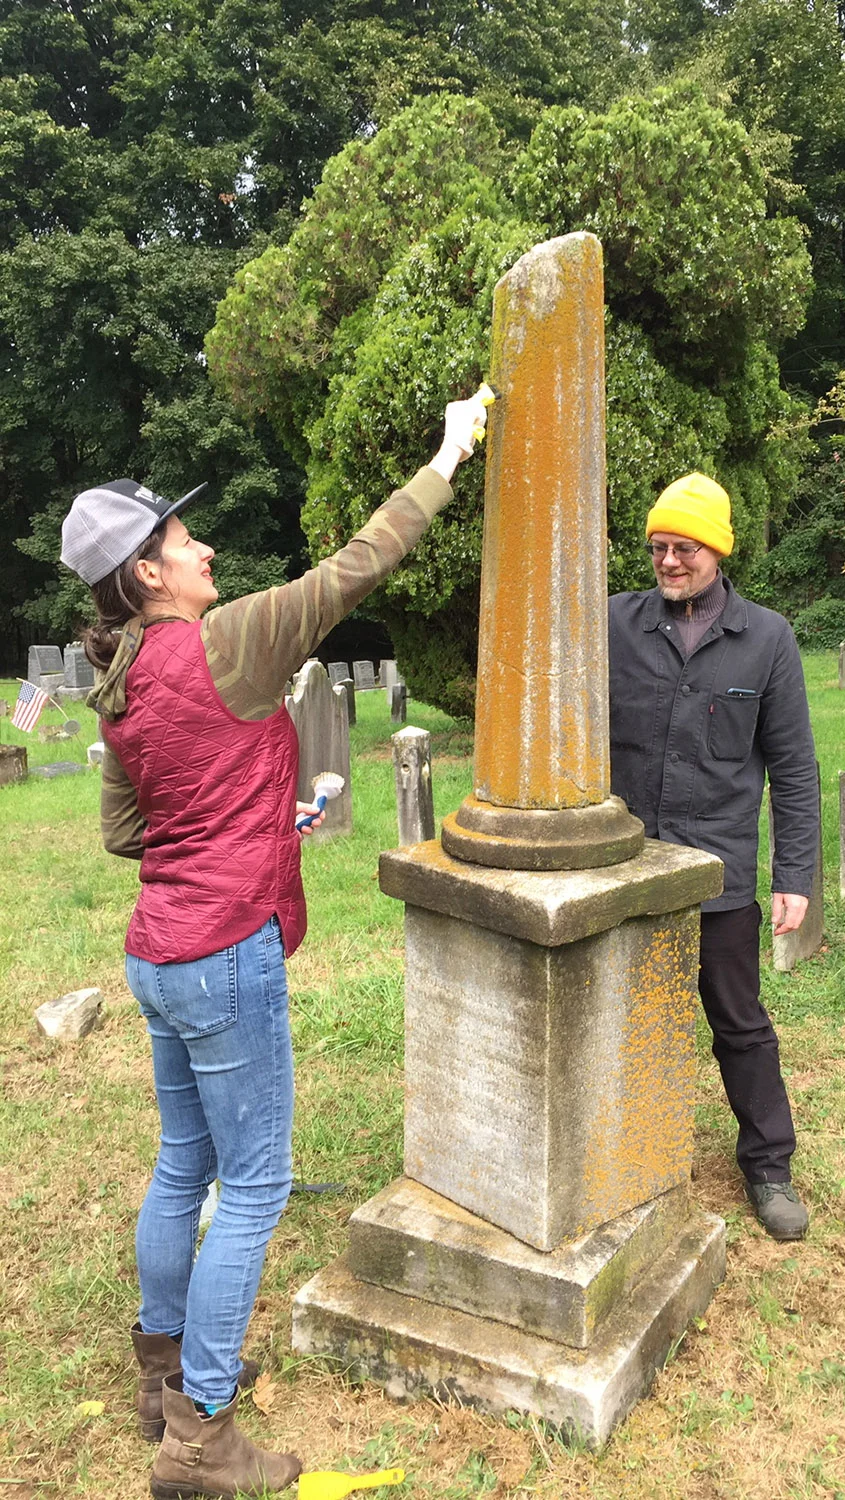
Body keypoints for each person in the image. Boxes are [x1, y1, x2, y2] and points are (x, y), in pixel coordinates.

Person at [59, 391, 488, 1500]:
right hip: (220, 950)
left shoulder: (117, 684)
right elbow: (360, 564)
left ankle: (161, 1376)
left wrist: (238, 815)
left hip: (155, 950)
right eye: (181, 540)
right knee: (252, 1184)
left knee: (182, 1162)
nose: (201, 549)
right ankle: (201, 1443)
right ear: (147, 575)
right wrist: (448, 450)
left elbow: (125, 832)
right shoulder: (233, 639)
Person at [607, 472, 819, 1242]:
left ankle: (768, 1166)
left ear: (716, 551)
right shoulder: (612, 624)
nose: (667, 561)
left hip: (718, 873)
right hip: (624, 871)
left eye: (683, 548)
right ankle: (623, 1155)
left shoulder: (766, 639)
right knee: (620, 1019)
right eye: (658, 547)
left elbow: (792, 767)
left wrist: (794, 877)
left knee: (738, 1022)